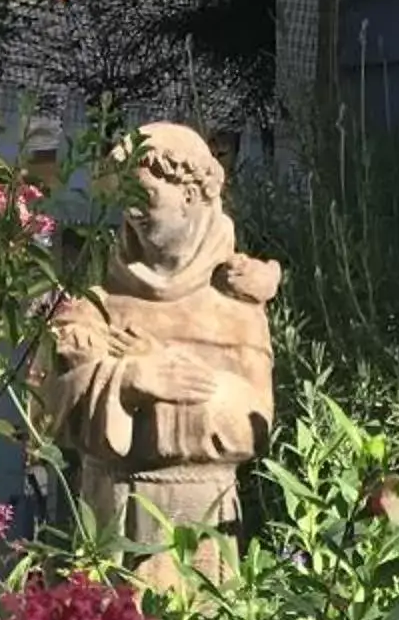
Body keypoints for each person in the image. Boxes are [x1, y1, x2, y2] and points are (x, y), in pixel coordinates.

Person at [36, 122, 277, 585]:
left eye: (144, 195)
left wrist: (185, 385)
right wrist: (130, 381)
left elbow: (255, 424)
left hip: (200, 522)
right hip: (107, 517)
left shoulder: (234, 308)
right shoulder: (98, 305)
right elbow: (51, 410)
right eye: (123, 198)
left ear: (191, 194)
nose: (131, 212)